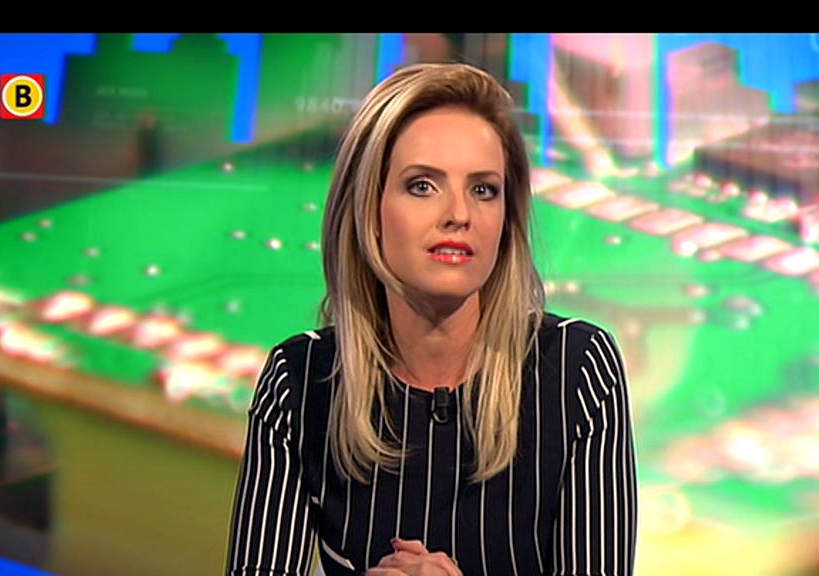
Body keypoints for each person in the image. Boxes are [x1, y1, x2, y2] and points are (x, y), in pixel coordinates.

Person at [225, 62, 637, 576]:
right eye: (422, 186)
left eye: (483, 190)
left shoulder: (577, 368)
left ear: (507, 220)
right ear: (369, 211)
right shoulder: (301, 380)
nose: (458, 214)